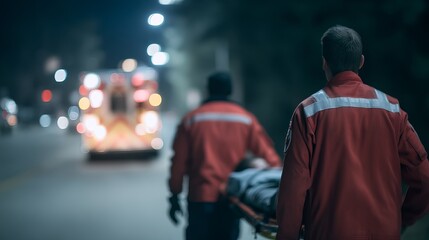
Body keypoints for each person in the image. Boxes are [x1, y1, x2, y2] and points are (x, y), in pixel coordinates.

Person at [276, 25, 429, 240]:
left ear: (324, 63)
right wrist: (402, 219)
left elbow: (294, 185)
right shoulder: (392, 110)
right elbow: (424, 178)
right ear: (362, 61)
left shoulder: (309, 111)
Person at [168, 71, 282, 240]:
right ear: (230, 91)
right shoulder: (245, 119)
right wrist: (281, 187)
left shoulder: (191, 120)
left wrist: (175, 195)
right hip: (232, 197)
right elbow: (269, 156)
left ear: (208, 90)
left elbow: (178, 163)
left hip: (200, 196)